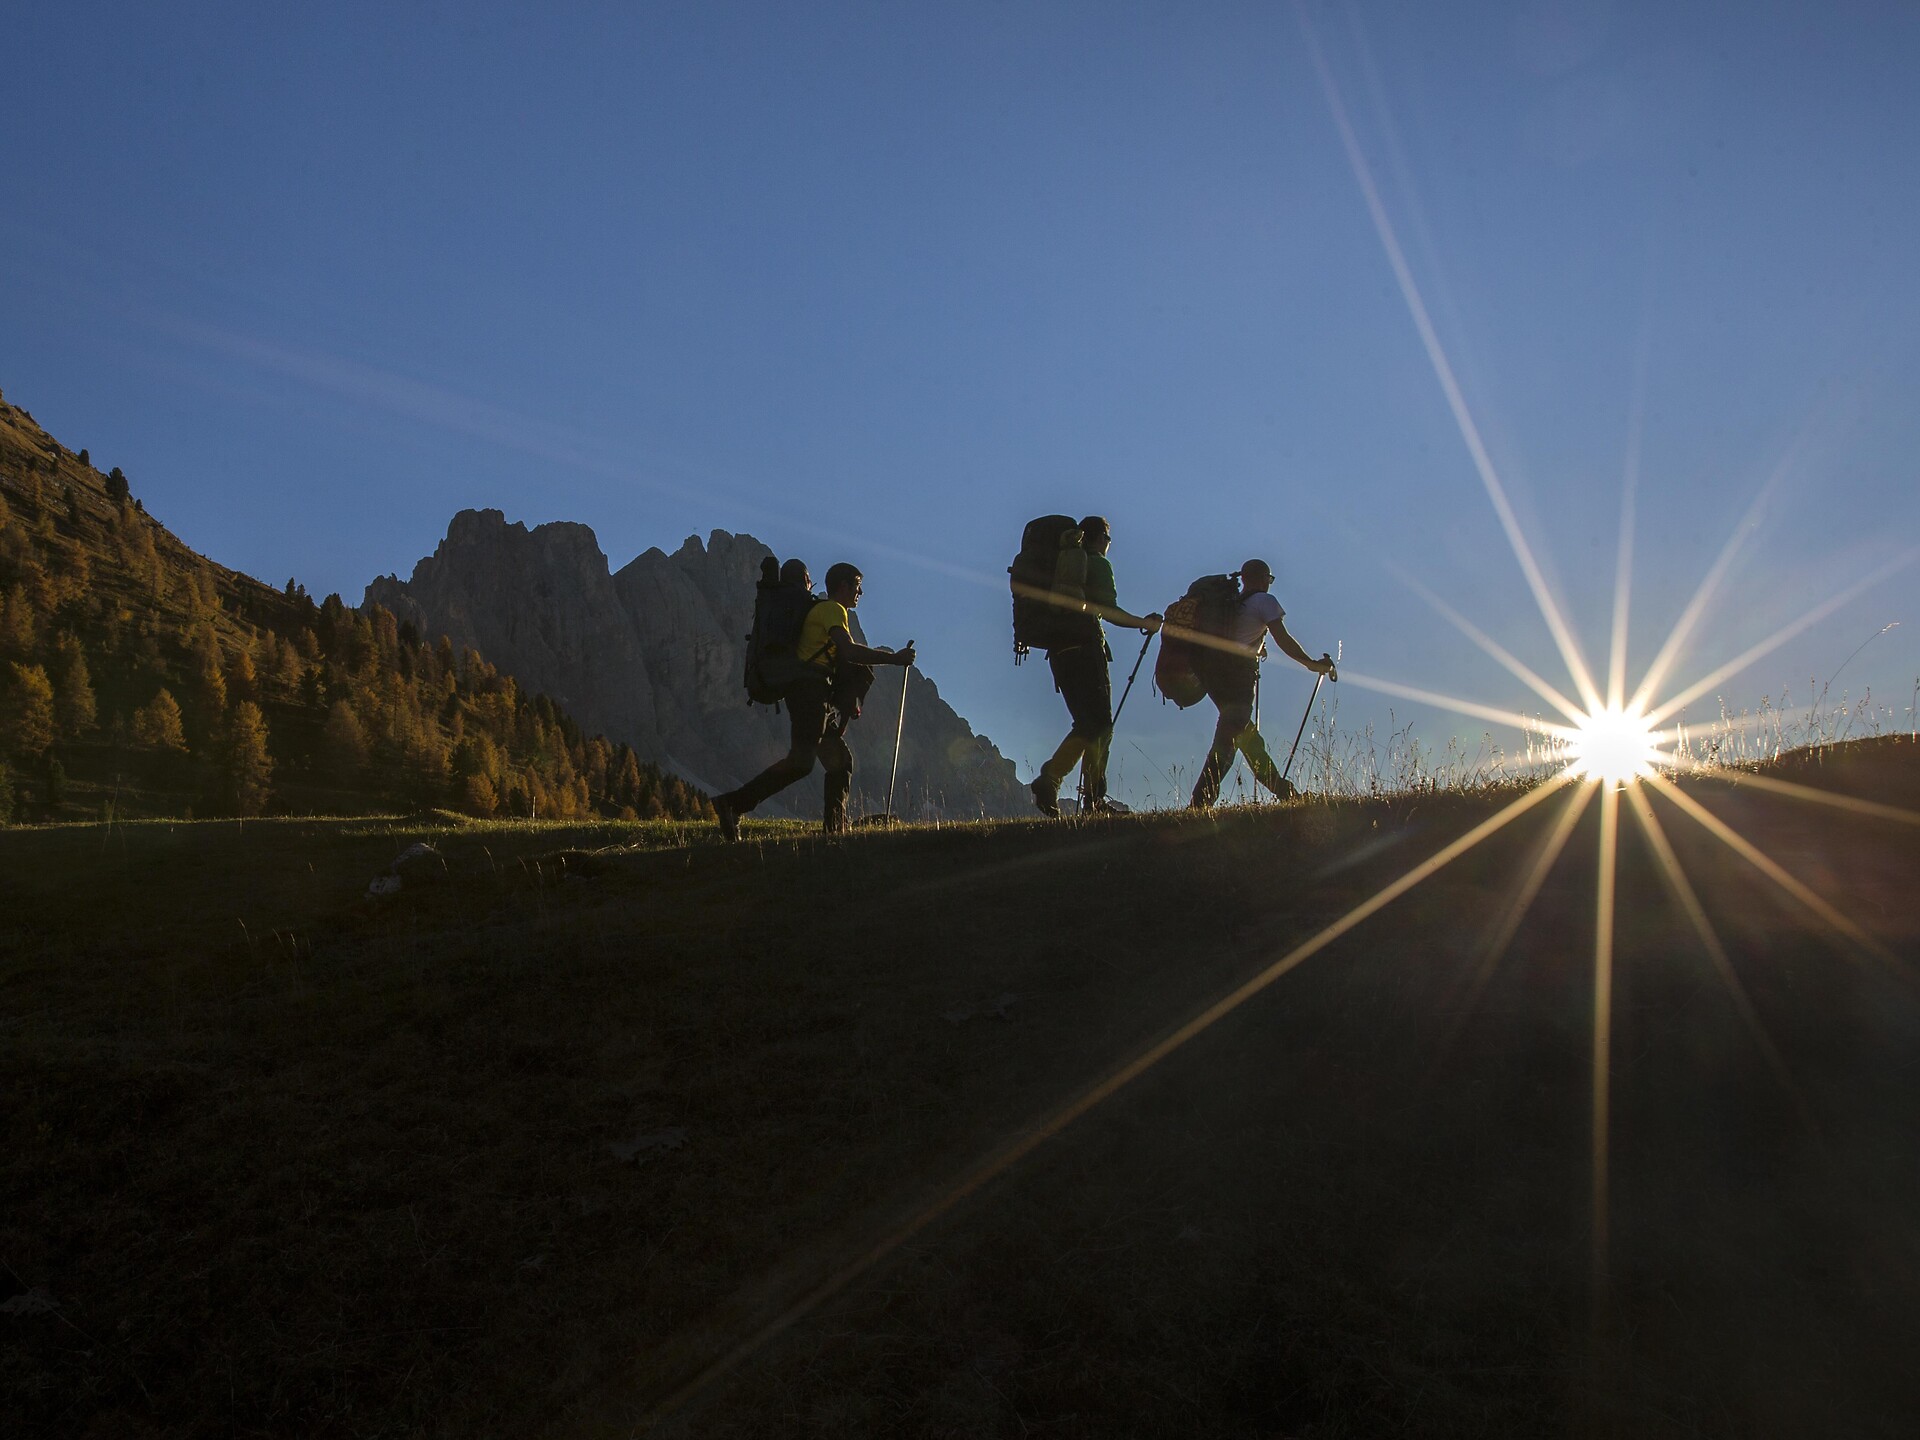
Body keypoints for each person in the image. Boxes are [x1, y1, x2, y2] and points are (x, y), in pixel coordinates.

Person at [714, 561, 914, 840]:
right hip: (809, 693)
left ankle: (835, 830)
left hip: (811, 694)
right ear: (843, 586)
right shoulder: (832, 609)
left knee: (840, 760)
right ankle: (733, 804)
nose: (861, 592)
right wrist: (893, 659)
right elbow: (848, 651)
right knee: (801, 762)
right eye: (857, 586)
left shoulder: (821, 610)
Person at [1031, 515, 1161, 816]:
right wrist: (1144, 623)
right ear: (1102, 538)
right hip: (1087, 650)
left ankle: (1062, 785)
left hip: (1059, 654)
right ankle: (1080, 793)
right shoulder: (1098, 563)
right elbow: (1108, 610)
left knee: (1088, 724)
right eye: (1108, 539)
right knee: (1101, 725)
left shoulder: (1061, 566)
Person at [1189, 557, 1334, 809]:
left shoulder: (1232, 604)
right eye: (1269, 578)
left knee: (1246, 738)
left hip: (1215, 677)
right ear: (1264, 578)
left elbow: (1240, 637)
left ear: (1243, 579)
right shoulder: (1264, 602)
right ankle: (1198, 805)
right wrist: (1311, 664)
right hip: (1238, 679)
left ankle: (1285, 793)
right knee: (1227, 742)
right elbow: (1284, 639)